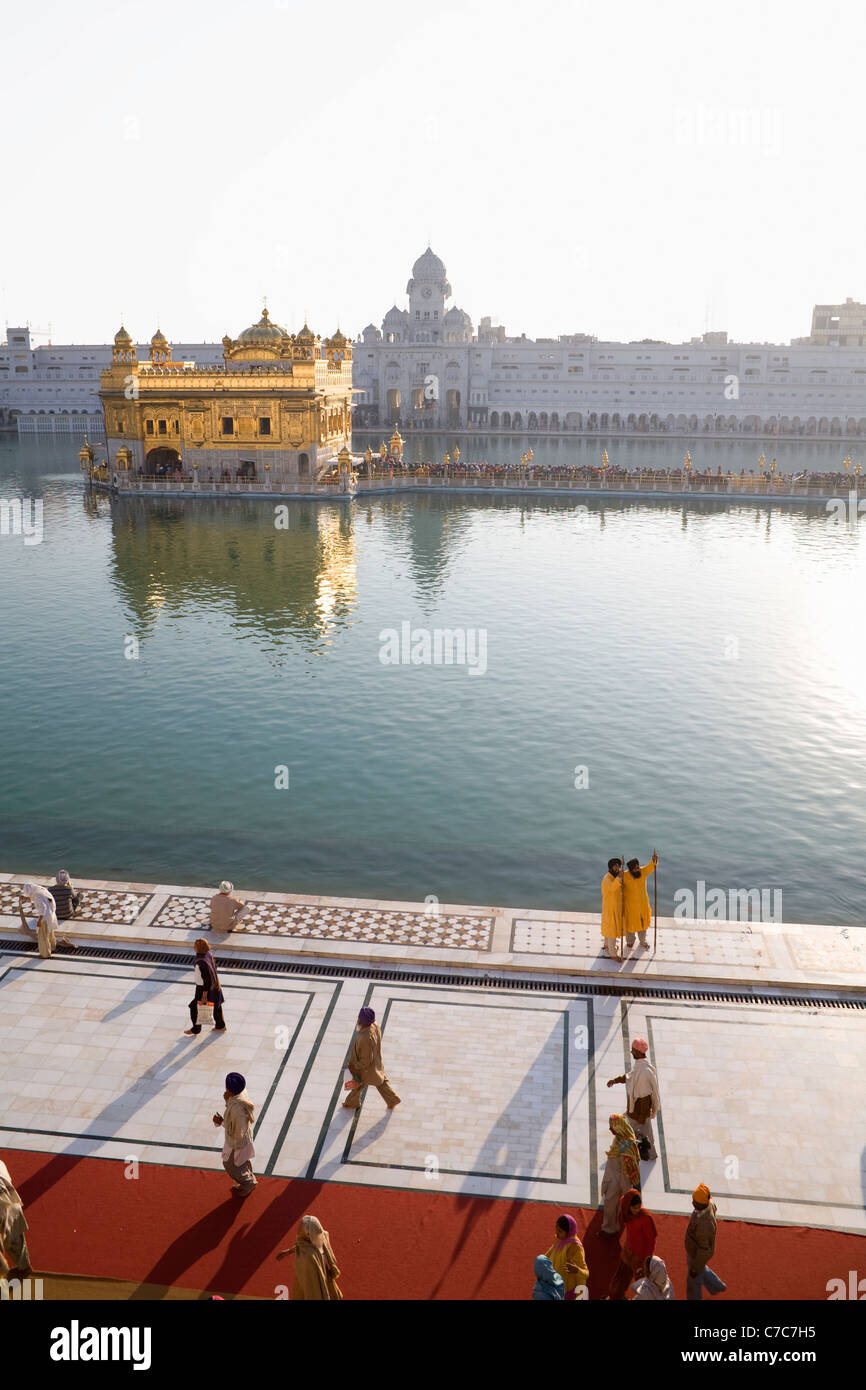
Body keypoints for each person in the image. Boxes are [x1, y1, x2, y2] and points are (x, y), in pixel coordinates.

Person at [606, 1037, 660, 1160]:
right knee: (632, 1132)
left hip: (639, 1114)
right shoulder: (640, 1067)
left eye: (633, 1051)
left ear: (640, 1052)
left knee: (641, 1135)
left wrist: (641, 1118)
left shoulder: (645, 1072)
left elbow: (645, 1098)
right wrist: (615, 1080)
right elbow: (630, 1077)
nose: (631, 1052)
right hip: (634, 1111)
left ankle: (646, 1155)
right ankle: (627, 1152)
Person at [342, 1007, 401, 1111]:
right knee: (380, 1080)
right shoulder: (375, 1025)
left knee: (359, 1083)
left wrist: (355, 1066)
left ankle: (351, 1103)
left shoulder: (366, 1038)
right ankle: (393, 1100)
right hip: (376, 1063)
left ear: (362, 1021)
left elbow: (366, 1060)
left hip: (366, 1068)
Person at [276, 1215, 342, 1300]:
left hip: (307, 1278)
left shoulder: (309, 1254)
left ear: (308, 1234)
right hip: (311, 1275)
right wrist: (288, 1252)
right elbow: (300, 1245)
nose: (298, 1230)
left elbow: (310, 1283)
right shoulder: (319, 1237)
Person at [212, 1072, 256, 1196]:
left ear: (229, 1089)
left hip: (238, 1142)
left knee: (231, 1164)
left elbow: (237, 1130)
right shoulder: (240, 1095)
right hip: (243, 1137)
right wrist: (227, 1100)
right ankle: (249, 1180)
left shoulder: (237, 1109)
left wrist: (221, 1122)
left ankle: (248, 1184)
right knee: (242, 1161)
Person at [609, 1189, 657, 1300]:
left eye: (639, 1207)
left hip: (640, 1258)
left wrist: (647, 1259)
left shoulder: (644, 1218)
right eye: (634, 1208)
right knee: (621, 1278)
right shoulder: (627, 1212)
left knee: (642, 1285)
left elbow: (651, 1240)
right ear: (628, 1206)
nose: (637, 1210)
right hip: (628, 1252)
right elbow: (623, 1199)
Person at [600, 1114, 641, 1235]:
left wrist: (624, 1191)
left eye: (612, 1126)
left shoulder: (625, 1149)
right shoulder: (621, 1138)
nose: (610, 1129)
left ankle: (610, 1228)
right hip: (614, 1178)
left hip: (618, 1181)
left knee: (611, 1203)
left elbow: (626, 1172)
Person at [685, 1183, 727, 1299]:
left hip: (697, 1253)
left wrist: (695, 1268)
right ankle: (717, 1285)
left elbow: (704, 1250)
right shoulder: (709, 1204)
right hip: (696, 1251)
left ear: (701, 1204)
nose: (692, 1203)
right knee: (701, 1268)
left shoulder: (704, 1225)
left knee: (693, 1282)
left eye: (695, 1202)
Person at [17, 884, 74, 957]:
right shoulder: (41, 890)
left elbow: (43, 908)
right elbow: (39, 898)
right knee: (50, 933)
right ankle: (52, 947)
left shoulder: (37, 895)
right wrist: (25, 898)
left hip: (45, 917)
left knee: (42, 936)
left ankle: (45, 954)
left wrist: (39, 921)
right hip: (51, 914)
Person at [185, 938, 226, 1035]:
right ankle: (220, 1025)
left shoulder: (200, 962)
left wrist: (204, 995)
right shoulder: (208, 955)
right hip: (215, 985)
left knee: (194, 1007)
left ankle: (196, 1029)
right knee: (216, 1005)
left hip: (203, 988)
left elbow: (206, 980)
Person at [545, 1214, 588, 1300]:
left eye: (560, 1231)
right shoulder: (560, 1238)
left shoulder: (575, 1248)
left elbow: (585, 1273)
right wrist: (543, 1259)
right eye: (556, 1229)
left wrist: (577, 1270)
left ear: (569, 1232)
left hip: (566, 1290)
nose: (557, 1233)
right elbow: (553, 1248)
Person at [0, 1158, 31, 1276]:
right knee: (16, 1242)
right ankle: (24, 1267)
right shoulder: (1, 1163)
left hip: (2, 1210)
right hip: (13, 1207)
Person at [622, 850, 658, 949]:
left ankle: (643, 941)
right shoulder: (625, 875)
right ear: (630, 870)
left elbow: (650, 867)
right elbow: (617, 882)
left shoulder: (642, 872)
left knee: (643, 924)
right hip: (631, 906)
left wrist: (653, 860)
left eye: (638, 867)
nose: (637, 870)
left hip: (643, 904)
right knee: (630, 925)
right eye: (635, 869)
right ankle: (630, 941)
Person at [600, 857, 624, 962]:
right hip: (610, 909)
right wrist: (619, 878)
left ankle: (606, 945)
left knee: (608, 929)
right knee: (612, 931)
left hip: (614, 907)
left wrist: (620, 877)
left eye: (618, 866)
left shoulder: (614, 877)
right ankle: (613, 954)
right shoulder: (607, 879)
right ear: (610, 867)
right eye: (615, 866)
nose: (617, 868)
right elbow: (611, 888)